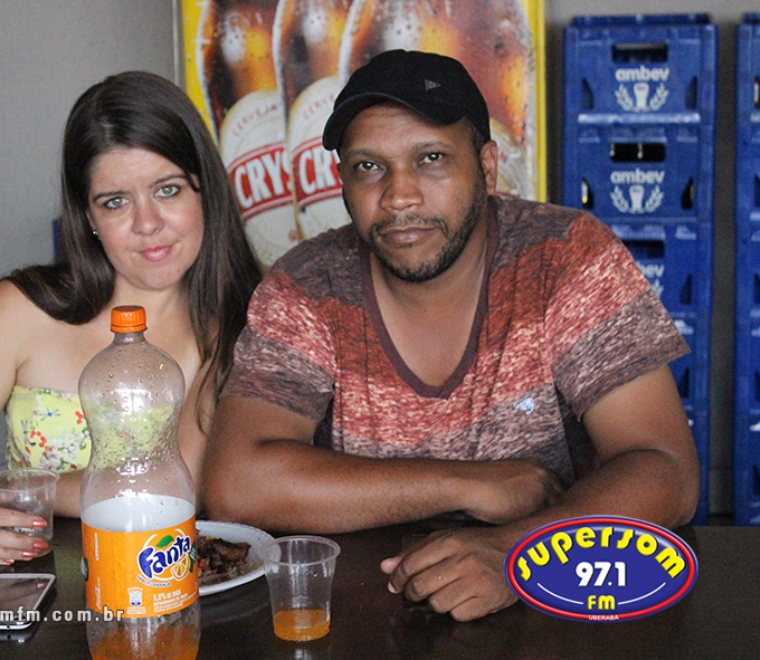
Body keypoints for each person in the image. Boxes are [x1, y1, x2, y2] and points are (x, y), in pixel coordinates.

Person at [201, 50, 700, 621]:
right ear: (342, 181)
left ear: (486, 166)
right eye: (369, 167)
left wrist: (519, 552)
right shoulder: (308, 285)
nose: (399, 196)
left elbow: (666, 468)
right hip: (367, 613)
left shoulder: (565, 258)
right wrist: (470, 485)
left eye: (431, 158)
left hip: (558, 601)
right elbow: (237, 484)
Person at [0, 71, 262, 565]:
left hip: (170, 588)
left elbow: (163, 487)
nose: (147, 224)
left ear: (206, 190)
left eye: (167, 190)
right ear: (88, 217)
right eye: (115, 202)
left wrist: (9, 494)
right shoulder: (21, 309)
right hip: (36, 591)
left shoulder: (249, 320)